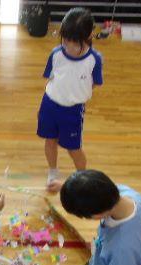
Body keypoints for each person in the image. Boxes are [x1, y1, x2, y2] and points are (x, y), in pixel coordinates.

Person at [37, 8, 103, 192]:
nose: (69, 47)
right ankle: (53, 171)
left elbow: (95, 83)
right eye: (65, 41)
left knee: (74, 149)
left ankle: (83, 178)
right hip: (50, 105)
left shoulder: (94, 59)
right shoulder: (56, 54)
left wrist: (76, 93)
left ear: (88, 36)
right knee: (50, 141)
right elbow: (50, 77)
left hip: (72, 111)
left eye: (75, 43)